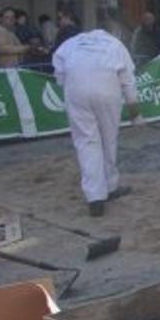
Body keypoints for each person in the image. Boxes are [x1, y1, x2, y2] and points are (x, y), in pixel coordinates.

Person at [53, 29, 141, 217]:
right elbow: (128, 81)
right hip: (107, 91)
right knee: (109, 139)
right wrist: (135, 114)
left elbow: (59, 76)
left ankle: (95, 197)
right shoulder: (115, 45)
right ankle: (110, 186)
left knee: (86, 142)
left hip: (76, 92)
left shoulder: (69, 44)